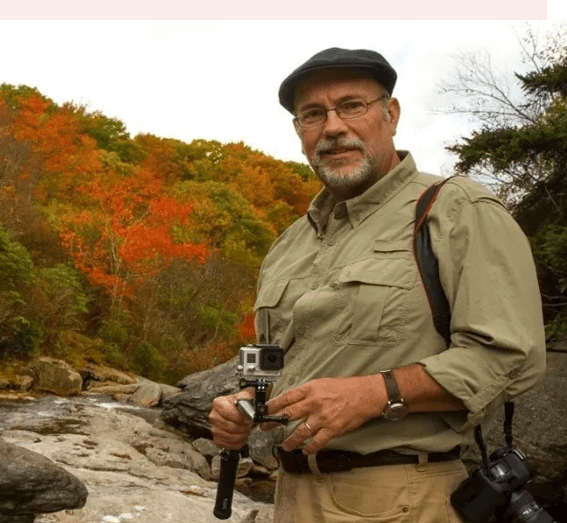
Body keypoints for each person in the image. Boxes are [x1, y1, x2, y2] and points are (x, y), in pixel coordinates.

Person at [208, 48, 546, 523]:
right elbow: (275, 360)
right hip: (290, 498)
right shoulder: (288, 243)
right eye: (312, 114)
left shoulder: (456, 210)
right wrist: (246, 402)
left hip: (403, 500)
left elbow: (512, 357)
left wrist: (374, 392)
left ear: (390, 115)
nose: (332, 127)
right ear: (299, 133)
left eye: (352, 105)